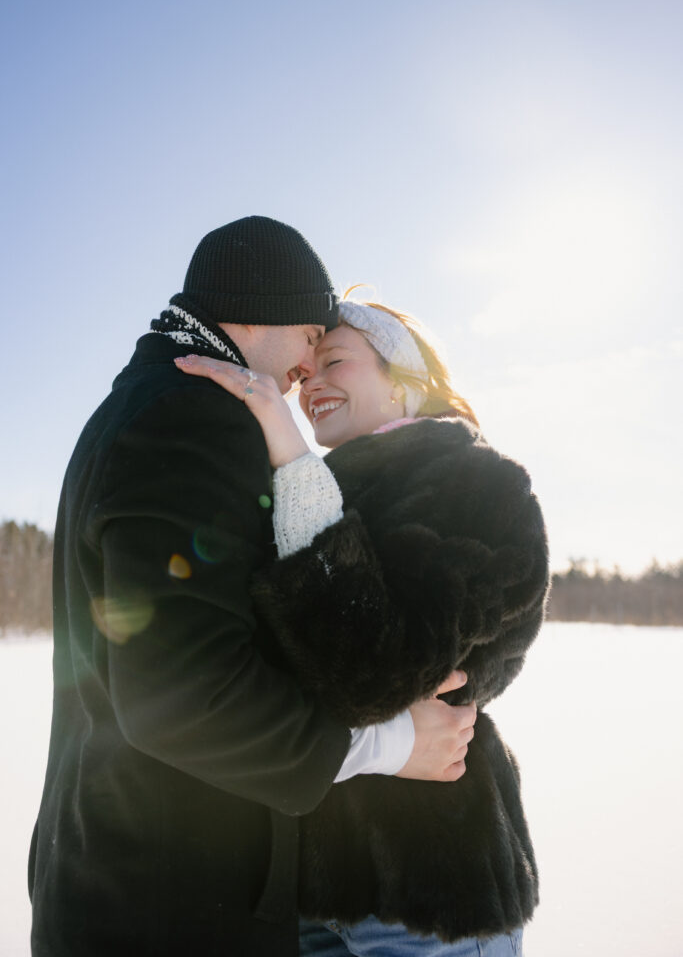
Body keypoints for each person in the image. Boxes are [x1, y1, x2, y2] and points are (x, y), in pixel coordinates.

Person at [28, 218, 476, 957]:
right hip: (167, 903)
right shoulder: (191, 415)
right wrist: (388, 744)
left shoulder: (155, 402)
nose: (309, 363)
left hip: (133, 882)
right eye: (310, 333)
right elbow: (183, 696)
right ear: (257, 306)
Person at [176, 296, 549, 956]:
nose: (310, 381)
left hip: (429, 900)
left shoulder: (478, 485)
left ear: (404, 381)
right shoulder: (306, 492)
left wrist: (293, 464)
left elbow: (369, 674)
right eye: (306, 368)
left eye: (335, 361)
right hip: (308, 892)